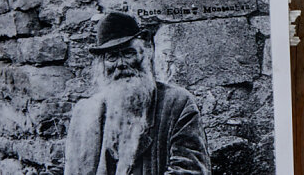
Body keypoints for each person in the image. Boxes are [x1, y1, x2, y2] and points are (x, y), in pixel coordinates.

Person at [64, 12, 211, 175]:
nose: (120, 64)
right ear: (102, 65)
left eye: (128, 53)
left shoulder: (178, 104)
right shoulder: (85, 113)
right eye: (112, 57)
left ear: (144, 55)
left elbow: (190, 170)